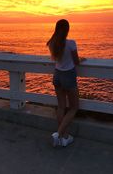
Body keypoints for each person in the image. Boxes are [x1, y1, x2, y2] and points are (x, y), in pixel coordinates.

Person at [47, 19, 84, 147]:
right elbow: (76, 61)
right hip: (68, 76)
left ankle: (64, 137)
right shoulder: (71, 43)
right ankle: (58, 134)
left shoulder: (52, 43)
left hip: (57, 75)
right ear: (67, 29)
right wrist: (82, 59)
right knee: (74, 108)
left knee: (61, 107)